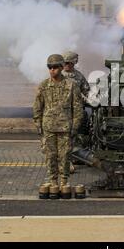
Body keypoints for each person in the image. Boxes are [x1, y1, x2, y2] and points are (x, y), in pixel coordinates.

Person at [33, 54, 83, 199]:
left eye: (55, 67)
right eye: (50, 67)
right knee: (50, 156)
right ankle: (53, 181)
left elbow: (77, 108)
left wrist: (75, 127)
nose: (52, 70)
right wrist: (38, 125)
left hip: (65, 128)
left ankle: (64, 182)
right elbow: (37, 107)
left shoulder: (71, 85)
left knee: (65, 156)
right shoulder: (43, 86)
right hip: (48, 128)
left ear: (61, 67)